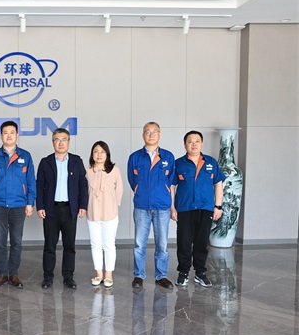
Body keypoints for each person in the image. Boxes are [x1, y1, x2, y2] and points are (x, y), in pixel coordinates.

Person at [0, 120, 36, 289]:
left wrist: (30, 202)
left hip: (19, 205)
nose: (9, 135)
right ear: (1, 136)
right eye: (5, 132)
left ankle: (14, 274)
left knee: (16, 242)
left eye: (12, 132)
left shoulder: (25, 156)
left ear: (17, 135)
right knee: (0, 242)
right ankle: (2, 274)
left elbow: (30, 181)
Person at [171, 130, 225, 287]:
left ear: (202, 144)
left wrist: (218, 206)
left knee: (202, 242)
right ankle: (183, 273)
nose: (193, 144)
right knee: (184, 242)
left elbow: (218, 184)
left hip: (206, 208)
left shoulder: (211, 162)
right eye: (190, 142)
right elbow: (172, 186)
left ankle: (200, 273)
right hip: (184, 208)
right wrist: (172, 207)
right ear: (185, 145)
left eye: (197, 141)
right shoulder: (178, 164)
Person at [36, 128, 88, 290]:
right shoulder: (45, 162)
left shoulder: (76, 161)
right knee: (49, 245)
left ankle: (68, 277)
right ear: (53, 142)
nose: (60, 143)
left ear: (69, 142)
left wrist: (83, 205)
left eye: (64, 139)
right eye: (57, 140)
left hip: (70, 209)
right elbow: (39, 186)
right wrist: (40, 206)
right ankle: (48, 277)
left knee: (69, 246)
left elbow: (83, 185)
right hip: (50, 209)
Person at [127, 122, 176, 291]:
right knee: (139, 244)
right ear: (143, 135)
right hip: (141, 206)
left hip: (162, 207)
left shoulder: (168, 157)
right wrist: (139, 189)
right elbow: (132, 180)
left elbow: (171, 181)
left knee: (162, 244)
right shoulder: (135, 157)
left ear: (160, 134)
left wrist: (167, 198)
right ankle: (138, 275)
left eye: (155, 131)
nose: (151, 134)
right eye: (148, 132)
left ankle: (161, 275)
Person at [86, 141, 123, 288]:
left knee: (109, 245)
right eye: (96, 151)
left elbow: (119, 190)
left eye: (102, 151)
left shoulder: (114, 170)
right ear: (92, 154)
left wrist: (114, 204)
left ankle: (108, 274)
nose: (99, 154)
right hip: (92, 213)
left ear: (107, 154)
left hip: (110, 213)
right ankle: (98, 274)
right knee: (95, 245)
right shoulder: (87, 171)